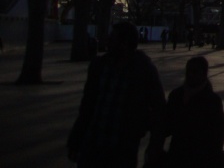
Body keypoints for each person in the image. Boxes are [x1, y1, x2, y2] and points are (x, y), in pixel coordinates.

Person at [67, 21, 166, 168]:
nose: (108, 42)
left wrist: (154, 145)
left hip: (122, 147)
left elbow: (159, 109)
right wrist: (76, 139)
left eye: (112, 39)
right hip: (93, 143)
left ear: (124, 43)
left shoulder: (143, 70)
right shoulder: (99, 66)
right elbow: (87, 106)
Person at [155, 55, 224, 168]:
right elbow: (166, 125)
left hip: (200, 158)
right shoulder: (176, 95)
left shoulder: (212, 101)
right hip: (177, 156)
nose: (191, 75)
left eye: (195, 71)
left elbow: (217, 137)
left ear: (203, 74)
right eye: (189, 71)